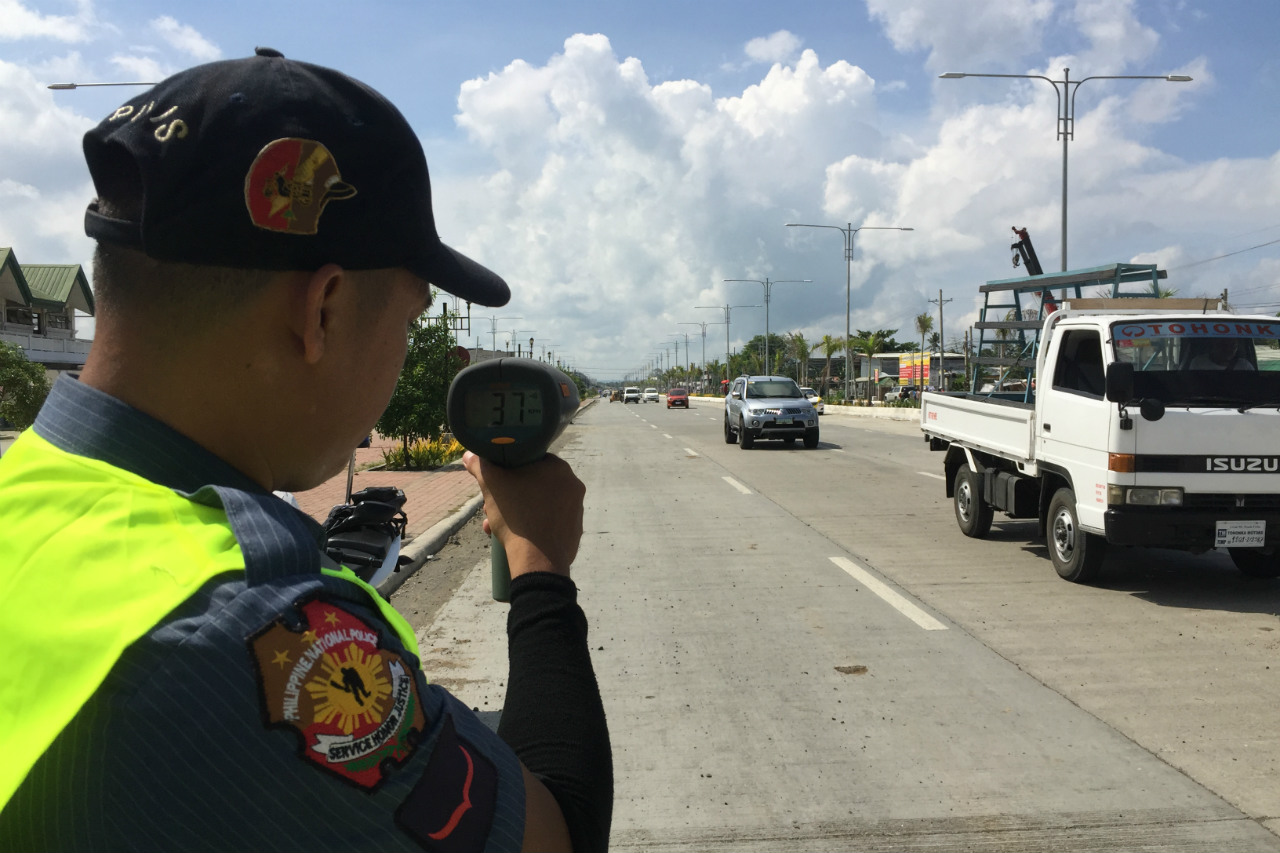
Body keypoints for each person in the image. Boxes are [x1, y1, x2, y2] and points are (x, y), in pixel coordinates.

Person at [0, 49, 611, 852]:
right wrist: (540, 570)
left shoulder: (29, 492)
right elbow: (552, 834)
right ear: (321, 309)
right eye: (408, 320)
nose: (401, 354)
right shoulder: (257, 631)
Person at [1189, 337, 1255, 371]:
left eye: (1233, 346)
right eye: (1224, 345)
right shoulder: (1198, 363)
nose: (1229, 350)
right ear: (1214, 345)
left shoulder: (1245, 366)